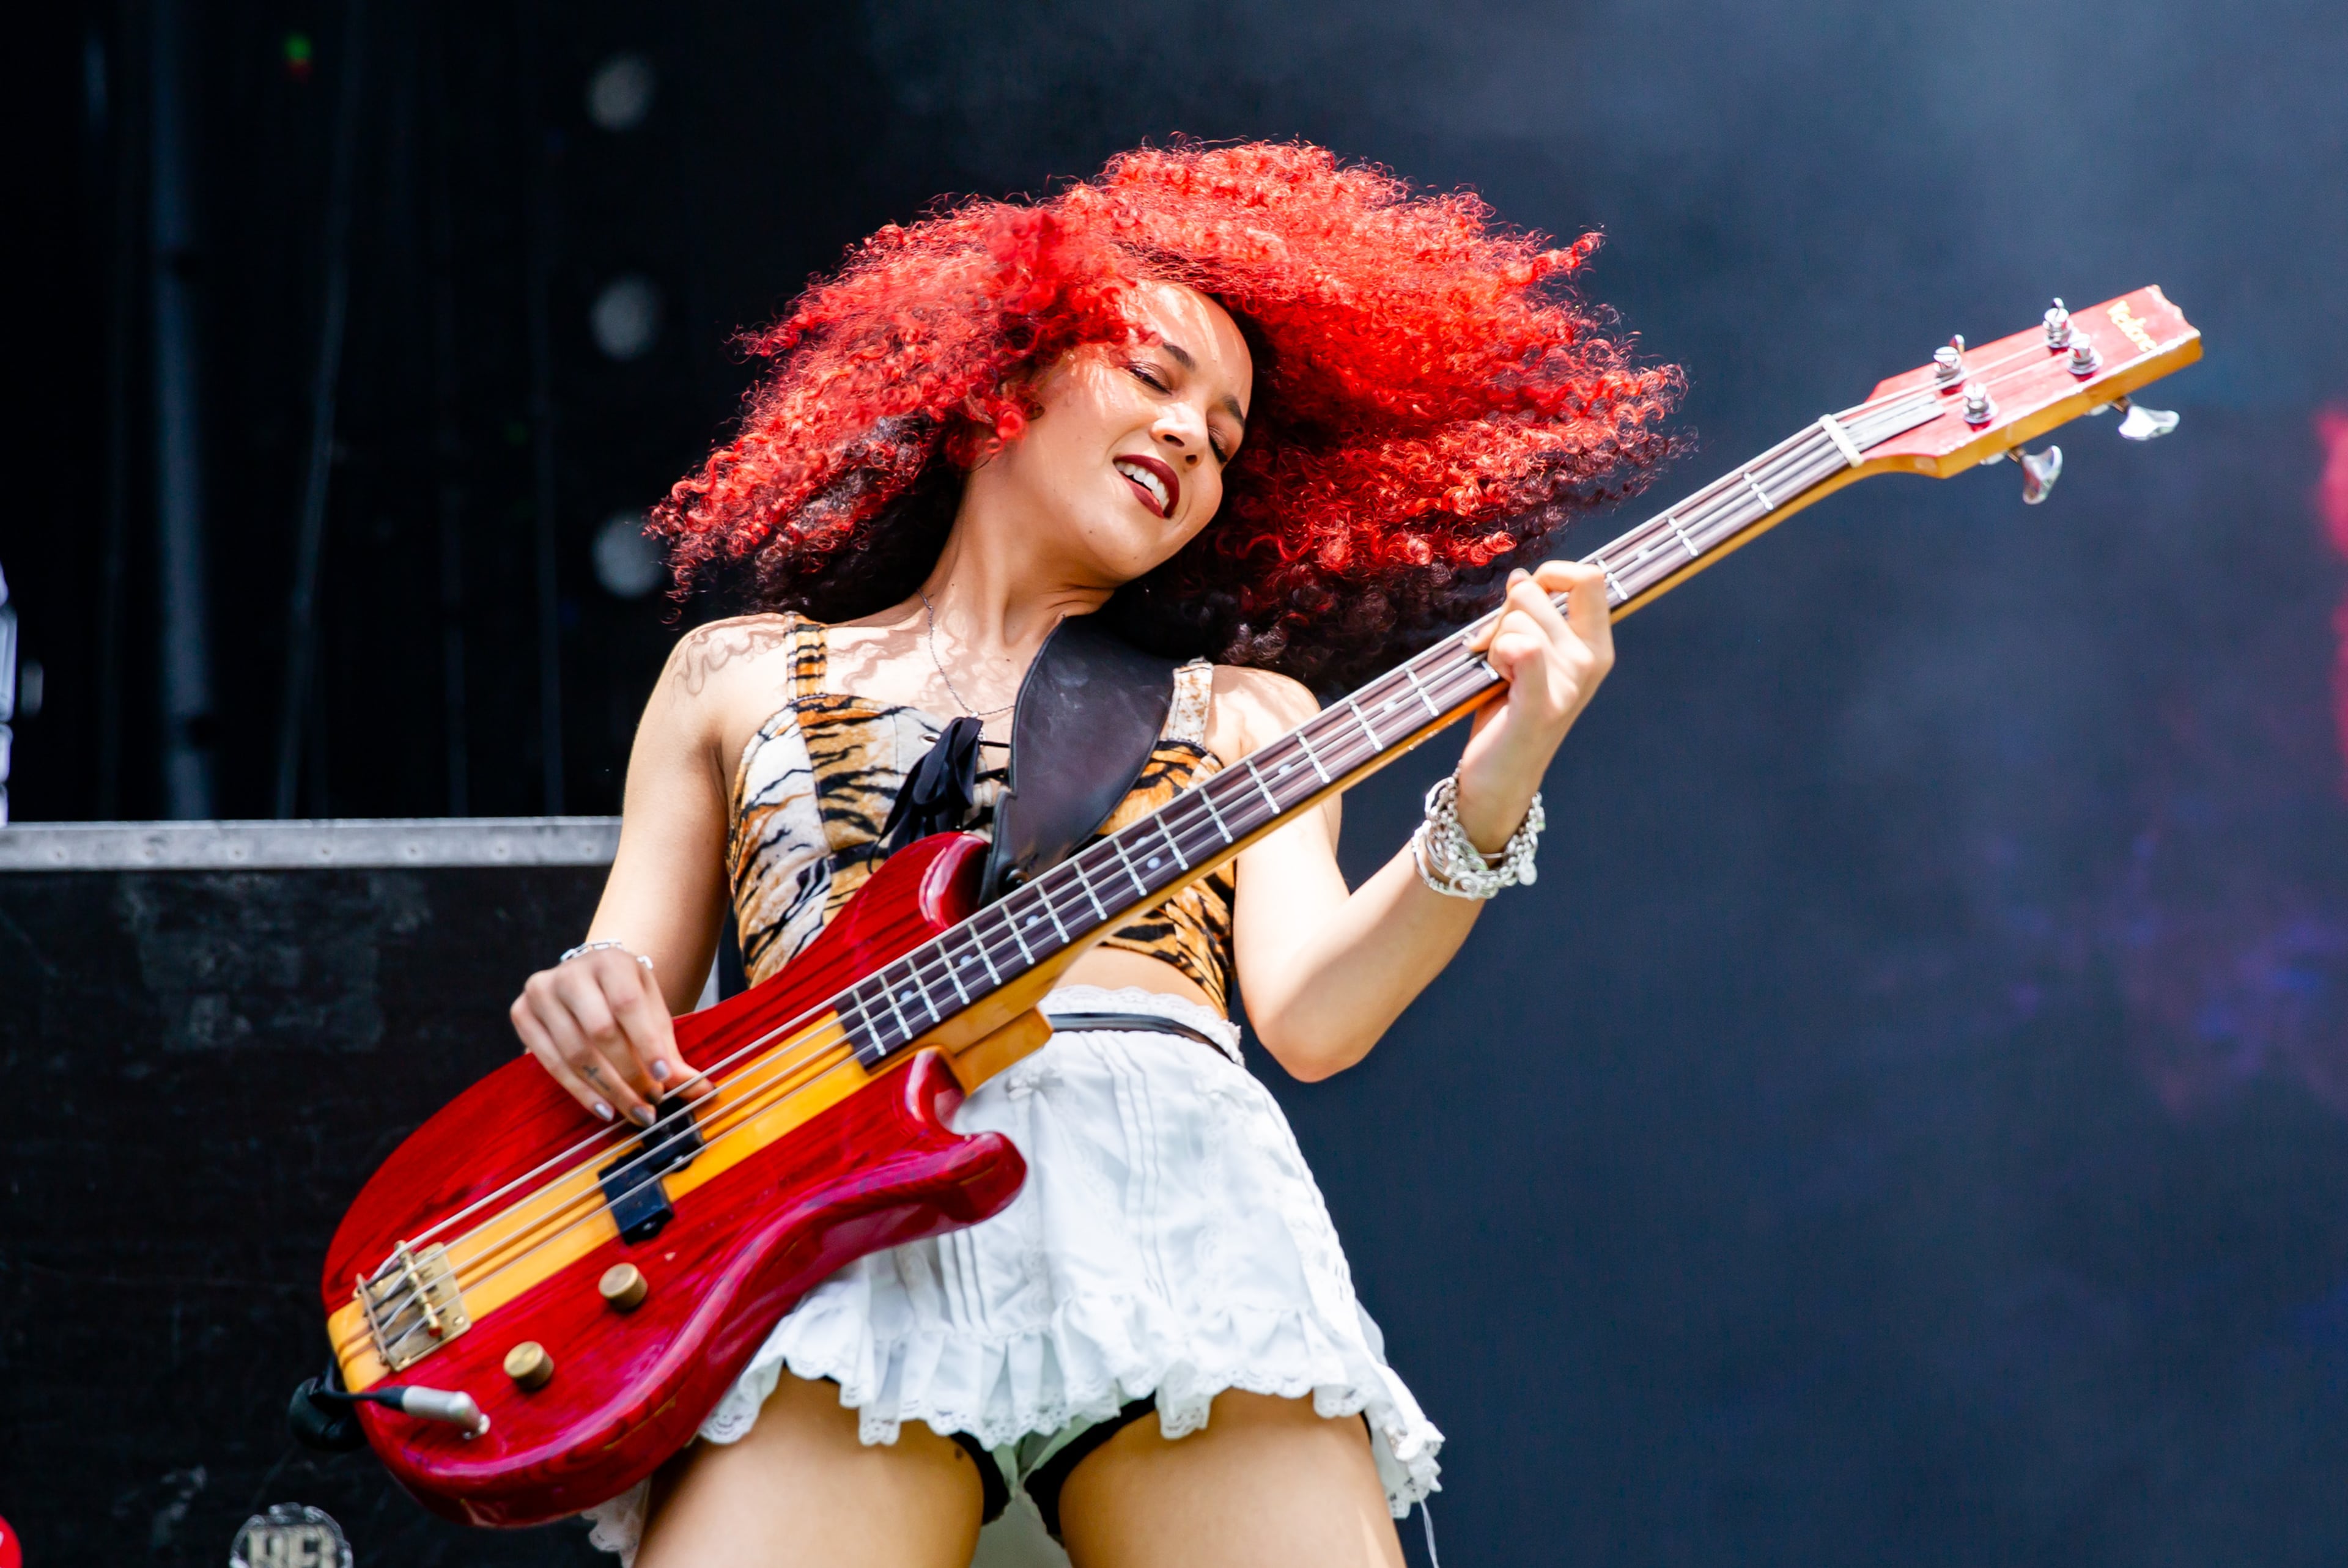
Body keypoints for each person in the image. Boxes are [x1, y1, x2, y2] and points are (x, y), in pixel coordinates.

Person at [508, 142, 1679, 1568]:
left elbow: (1311, 1014)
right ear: (1010, 369)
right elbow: (633, 984)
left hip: (1170, 1209)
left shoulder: (1245, 712)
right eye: (1156, 375)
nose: (1195, 436)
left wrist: (1496, 786)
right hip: (814, 1217)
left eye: (1229, 435)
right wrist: (587, 998)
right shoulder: (734, 673)